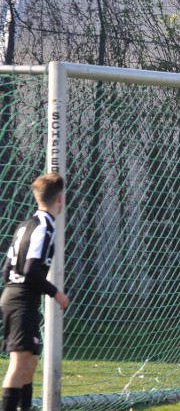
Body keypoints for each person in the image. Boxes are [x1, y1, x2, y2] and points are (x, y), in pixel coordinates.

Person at [1, 173, 70, 411]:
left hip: (16, 297)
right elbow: (31, 270)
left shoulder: (25, 225)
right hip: (21, 299)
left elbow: (6, 268)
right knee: (19, 365)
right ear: (60, 198)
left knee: (29, 363)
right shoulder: (44, 228)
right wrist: (56, 293)